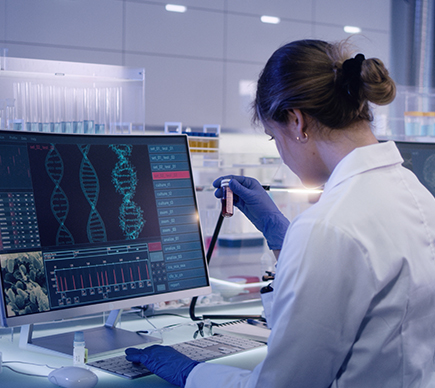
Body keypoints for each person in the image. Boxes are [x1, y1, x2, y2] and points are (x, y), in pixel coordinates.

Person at [125, 39, 435, 387]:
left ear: (297, 122)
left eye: (275, 138)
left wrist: (191, 373)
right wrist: (282, 238)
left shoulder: (329, 226)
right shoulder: (417, 195)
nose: (284, 158)